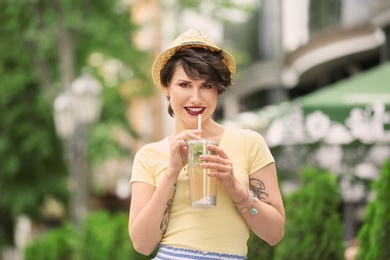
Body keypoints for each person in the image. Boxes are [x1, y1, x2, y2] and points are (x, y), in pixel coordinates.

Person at [128, 29, 285, 260]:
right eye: (184, 84)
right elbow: (142, 244)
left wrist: (234, 186)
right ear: (166, 87)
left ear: (218, 91)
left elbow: (274, 233)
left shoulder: (249, 143)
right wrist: (171, 173)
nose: (196, 97)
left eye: (207, 86)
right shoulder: (148, 155)